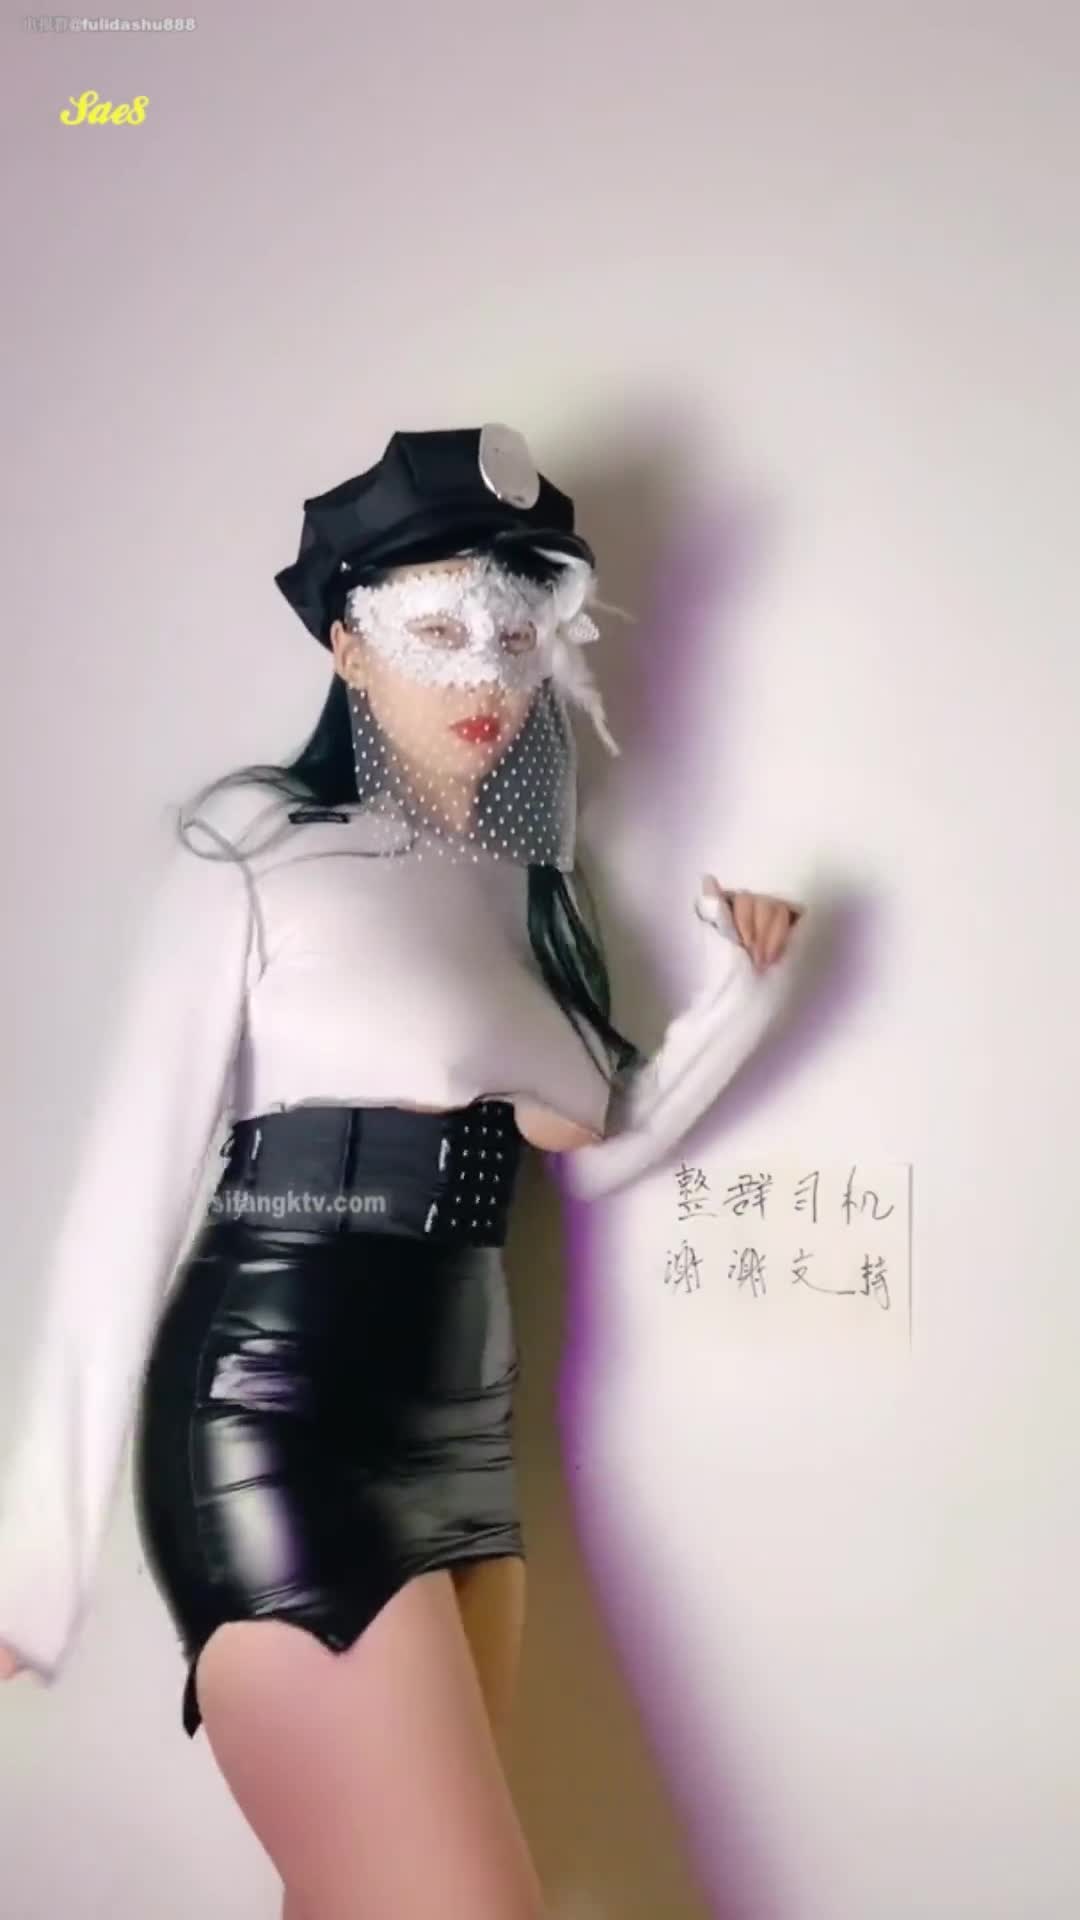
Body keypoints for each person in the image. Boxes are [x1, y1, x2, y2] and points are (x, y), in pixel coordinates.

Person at [0, 424, 805, 1919]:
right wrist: (31, 1579)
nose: (481, 673)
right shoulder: (254, 845)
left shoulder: (522, 889)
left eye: (516, 634)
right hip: (276, 1419)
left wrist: (739, 997)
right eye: (437, 631)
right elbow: (124, 1204)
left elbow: (595, 1141)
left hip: (467, 1434)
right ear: (348, 650)